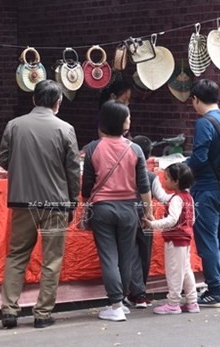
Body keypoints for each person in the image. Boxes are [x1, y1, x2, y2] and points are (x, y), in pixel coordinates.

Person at [0, 79, 81, 329]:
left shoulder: (14, 125)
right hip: (55, 203)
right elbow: (73, 170)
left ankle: (9, 311)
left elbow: (2, 159)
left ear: (34, 99)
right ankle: (42, 313)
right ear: (58, 102)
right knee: (51, 259)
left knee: (16, 256)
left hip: (22, 201)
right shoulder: (65, 129)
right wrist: (73, 200)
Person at [82, 100, 153, 322]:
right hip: (129, 209)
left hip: (102, 209)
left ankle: (115, 305)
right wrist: (148, 213)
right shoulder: (135, 149)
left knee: (108, 257)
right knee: (127, 256)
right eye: (128, 117)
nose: (130, 120)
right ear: (121, 123)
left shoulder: (93, 148)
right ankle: (120, 301)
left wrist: (87, 205)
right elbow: (144, 187)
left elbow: (87, 186)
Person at [184, 79, 220, 308]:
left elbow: (200, 157)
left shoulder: (205, 123)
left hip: (206, 189)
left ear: (196, 99)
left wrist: (181, 168)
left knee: (208, 239)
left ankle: (214, 290)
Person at [143, 162, 199, 315]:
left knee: (174, 272)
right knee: (186, 270)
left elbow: (172, 220)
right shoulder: (188, 198)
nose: (164, 181)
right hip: (185, 238)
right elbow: (192, 219)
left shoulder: (176, 199)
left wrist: (153, 224)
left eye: (167, 178)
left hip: (175, 240)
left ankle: (173, 303)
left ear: (176, 181)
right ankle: (192, 301)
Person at [124, 135, 169, 308]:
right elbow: (163, 197)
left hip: (127, 217)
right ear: (149, 156)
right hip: (146, 218)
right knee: (144, 255)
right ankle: (139, 292)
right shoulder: (151, 176)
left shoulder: (125, 173)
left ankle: (137, 293)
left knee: (132, 255)